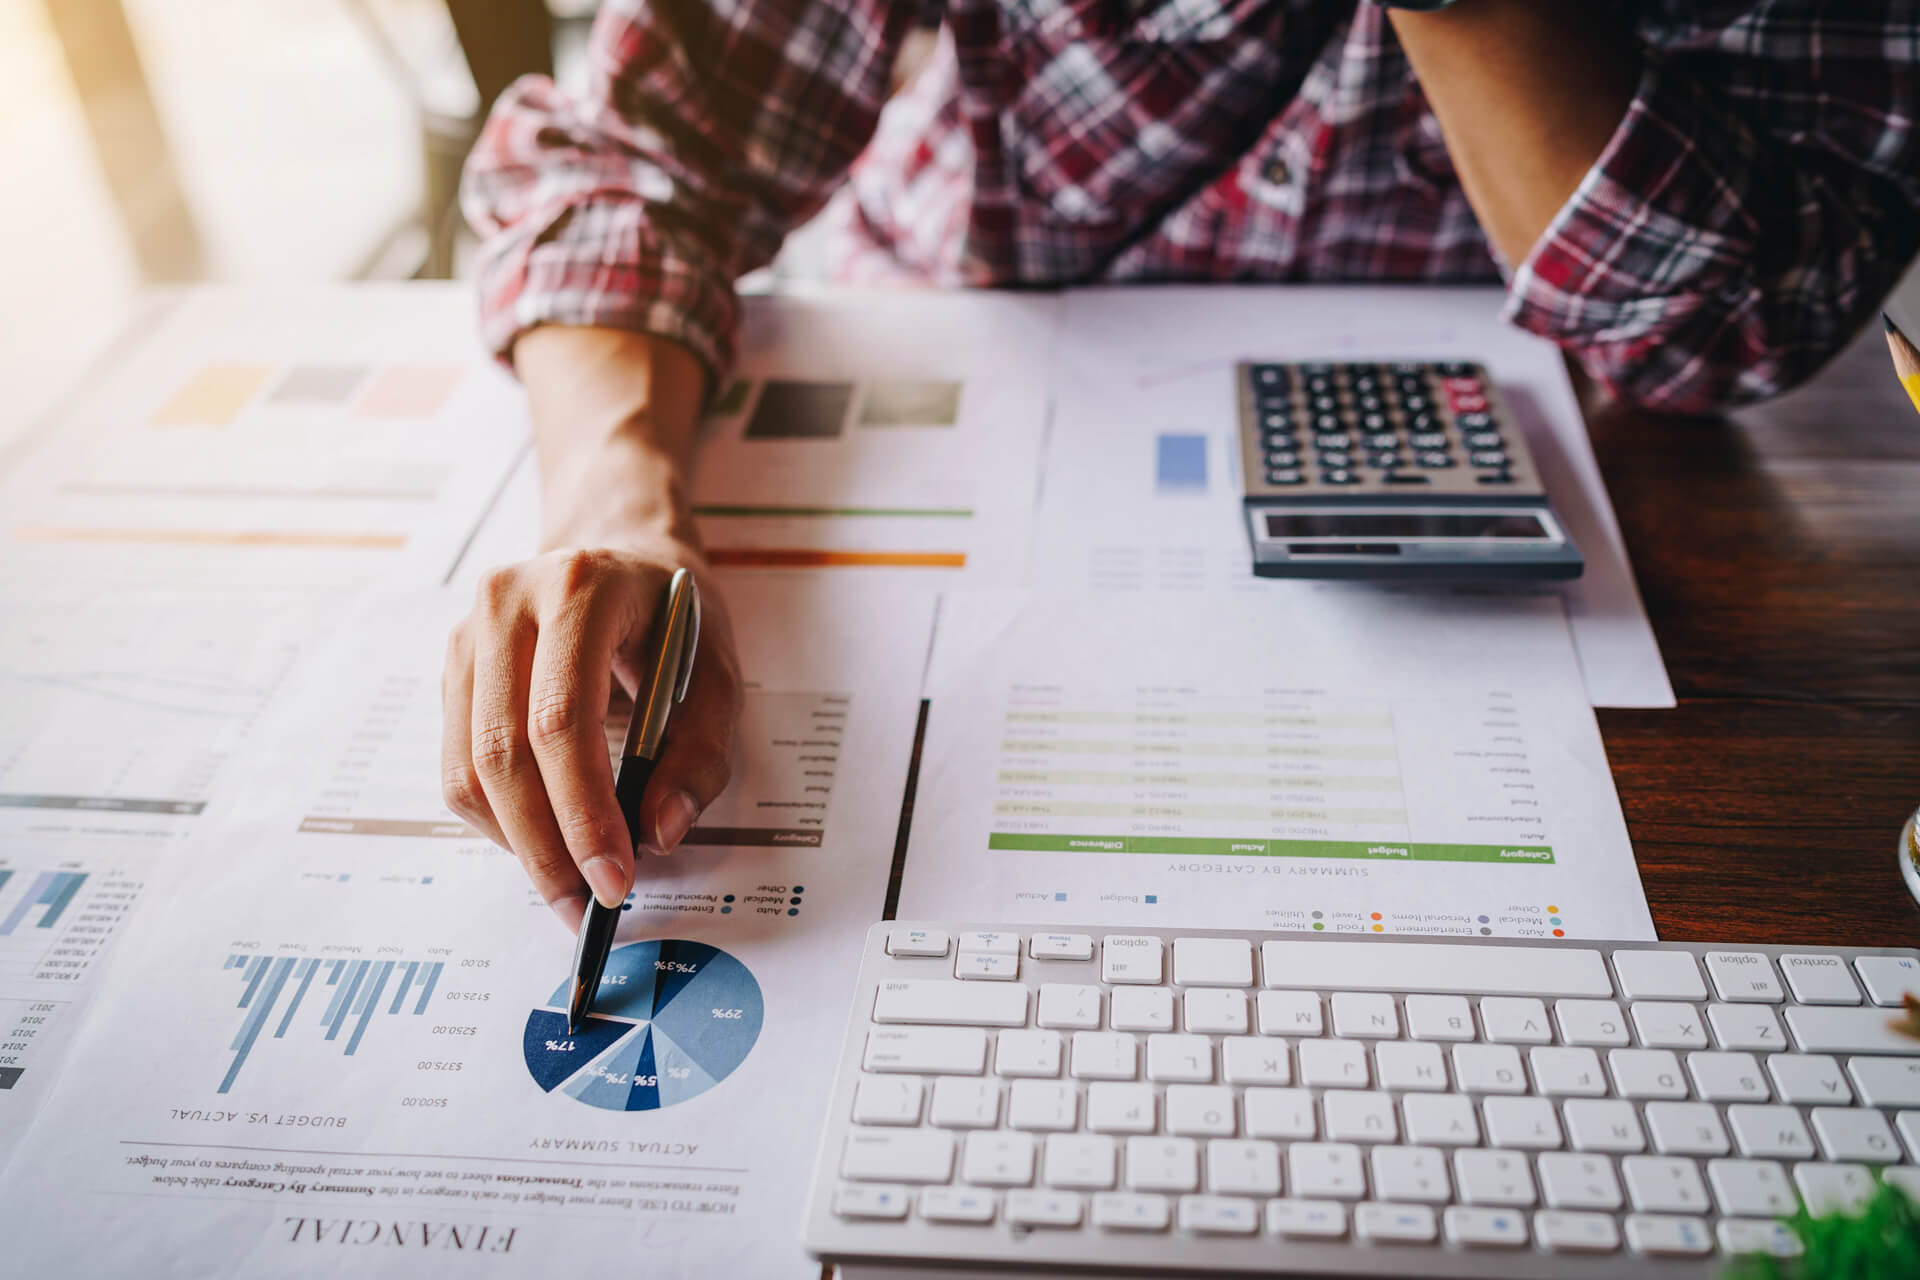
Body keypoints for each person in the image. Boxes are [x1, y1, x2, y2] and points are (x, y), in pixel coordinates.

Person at [441, 0, 1920, 924]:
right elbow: (629, 160)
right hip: (942, 373)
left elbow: (1728, 340)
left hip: (1565, 485)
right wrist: (619, 505)